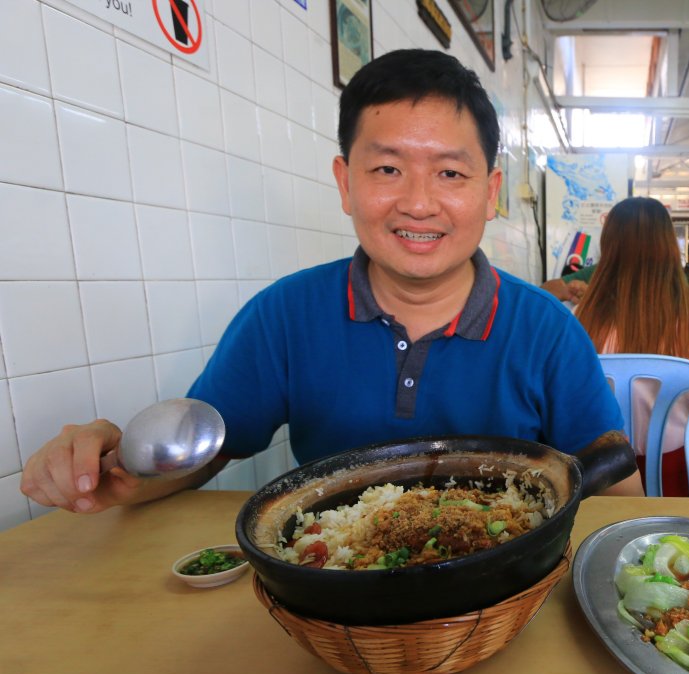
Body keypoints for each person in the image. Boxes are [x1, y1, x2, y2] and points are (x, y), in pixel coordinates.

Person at [20, 48, 641, 514]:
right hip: (330, 579)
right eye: (388, 168)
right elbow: (207, 451)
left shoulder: (548, 331)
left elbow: (616, 487)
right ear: (346, 184)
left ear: (490, 193)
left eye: (451, 174)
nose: (419, 204)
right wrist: (123, 466)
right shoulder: (284, 316)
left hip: (506, 590)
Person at [575, 197, 689, 498]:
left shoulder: (582, 315)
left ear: (609, 246)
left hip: (601, 478)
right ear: (668, 245)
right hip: (682, 472)